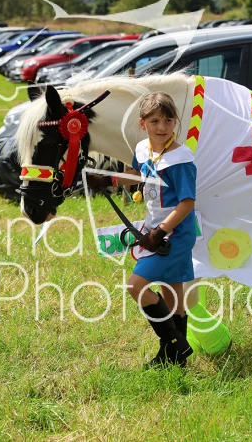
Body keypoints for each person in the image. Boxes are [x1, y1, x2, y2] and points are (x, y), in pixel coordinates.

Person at [86, 92, 196, 366]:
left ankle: (175, 343)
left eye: (168, 120)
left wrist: (159, 232)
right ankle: (174, 359)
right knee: (173, 292)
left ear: (175, 122)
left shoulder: (180, 158)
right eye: (155, 121)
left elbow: (187, 203)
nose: (162, 127)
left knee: (135, 285)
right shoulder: (143, 149)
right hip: (156, 230)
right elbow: (138, 174)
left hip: (175, 234)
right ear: (142, 123)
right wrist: (108, 180)